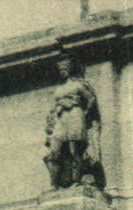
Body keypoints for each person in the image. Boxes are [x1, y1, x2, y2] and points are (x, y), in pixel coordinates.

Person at [43, 53, 102, 190]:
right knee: (53, 152)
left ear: (71, 68)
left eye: (65, 68)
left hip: (76, 115)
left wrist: (85, 113)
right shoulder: (59, 89)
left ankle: (75, 180)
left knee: (74, 149)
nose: (62, 71)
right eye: (61, 69)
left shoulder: (78, 85)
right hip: (61, 118)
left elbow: (91, 99)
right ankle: (54, 183)